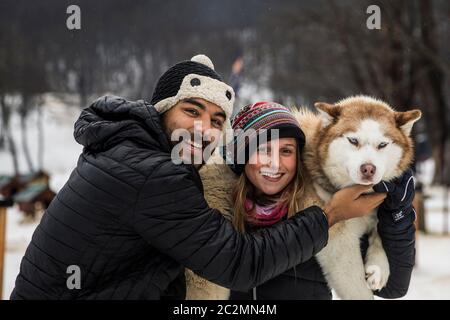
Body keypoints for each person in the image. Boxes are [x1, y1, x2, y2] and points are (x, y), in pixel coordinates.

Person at [11, 55, 385, 300]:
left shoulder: (127, 151)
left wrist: (396, 213)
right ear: (162, 111)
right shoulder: (153, 175)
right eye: (192, 111)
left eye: (216, 120)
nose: (204, 129)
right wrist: (330, 214)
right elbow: (239, 263)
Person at [222, 102, 416, 300]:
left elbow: (392, 287)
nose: (275, 163)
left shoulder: (321, 203)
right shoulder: (214, 210)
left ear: (298, 156)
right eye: (263, 149)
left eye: (286, 151)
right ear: (241, 154)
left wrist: (396, 216)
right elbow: (246, 264)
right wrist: (327, 218)